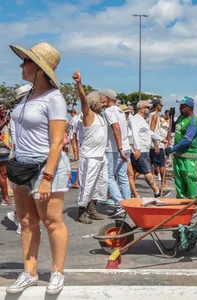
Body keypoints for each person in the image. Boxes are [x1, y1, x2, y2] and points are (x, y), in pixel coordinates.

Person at [6, 42, 71, 294]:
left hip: (46, 167)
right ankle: (29, 272)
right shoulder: (27, 97)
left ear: (40, 69)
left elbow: (57, 142)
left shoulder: (54, 98)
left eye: (26, 61)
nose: (21, 65)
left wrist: (47, 178)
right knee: (26, 221)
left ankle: (57, 272)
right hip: (22, 167)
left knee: (52, 220)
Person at [72, 70, 108, 224]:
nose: (105, 104)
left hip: (101, 156)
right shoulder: (89, 114)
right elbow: (83, 100)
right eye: (103, 102)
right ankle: (81, 212)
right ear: (95, 102)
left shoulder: (101, 116)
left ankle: (92, 208)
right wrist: (79, 83)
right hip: (90, 157)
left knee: (101, 184)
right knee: (87, 185)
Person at [6, 84, 32, 234]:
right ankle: (22, 223)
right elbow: (17, 138)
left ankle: (17, 215)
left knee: (27, 190)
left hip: (24, 155)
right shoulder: (19, 113)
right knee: (24, 190)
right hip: (21, 155)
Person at [130, 100, 170, 198]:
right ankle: (156, 191)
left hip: (143, 150)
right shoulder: (136, 119)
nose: (149, 109)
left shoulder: (141, 120)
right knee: (147, 171)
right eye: (147, 107)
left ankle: (130, 192)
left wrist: (161, 139)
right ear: (142, 109)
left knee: (134, 173)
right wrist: (137, 149)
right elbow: (135, 133)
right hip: (141, 150)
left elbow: (149, 133)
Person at [165, 97, 197, 199]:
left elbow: (186, 141)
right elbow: (173, 129)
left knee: (190, 181)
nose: (180, 108)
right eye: (179, 106)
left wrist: (172, 149)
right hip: (178, 156)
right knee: (179, 182)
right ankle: (181, 205)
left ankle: (193, 205)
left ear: (189, 108)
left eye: (182, 106)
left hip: (189, 157)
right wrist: (171, 117)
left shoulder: (194, 121)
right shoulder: (180, 117)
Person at [103, 89, 131, 217]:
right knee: (123, 177)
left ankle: (120, 204)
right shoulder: (120, 111)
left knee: (109, 177)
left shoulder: (109, 111)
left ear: (108, 98)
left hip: (115, 149)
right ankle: (128, 203)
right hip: (125, 147)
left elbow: (116, 128)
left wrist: (119, 148)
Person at [119, 104, 139, 198]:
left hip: (127, 150)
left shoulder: (126, 124)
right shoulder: (119, 125)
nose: (127, 115)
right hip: (121, 151)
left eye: (128, 113)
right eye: (125, 113)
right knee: (122, 175)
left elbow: (127, 140)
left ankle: (132, 195)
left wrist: (133, 151)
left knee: (129, 174)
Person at [149, 98, 169, 189]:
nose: (162, 107)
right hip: (155, 143)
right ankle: (163, 184)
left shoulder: (151, 115)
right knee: (162, 164)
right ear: (157, 105)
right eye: (161, 105)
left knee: (153, 164)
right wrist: (156, 144)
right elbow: (152, 130)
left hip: (152, 143)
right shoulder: (155, 115)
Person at [0, 103, 12, 206]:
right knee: (3, 174)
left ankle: (5, 197)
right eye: (1, 109)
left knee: (3, 174)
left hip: (4, 150)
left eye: (5, 108)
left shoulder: (5, 120)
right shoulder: (3, 121)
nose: (4, 110)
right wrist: (5, 122)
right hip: (1, 150)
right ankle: (5, 198)